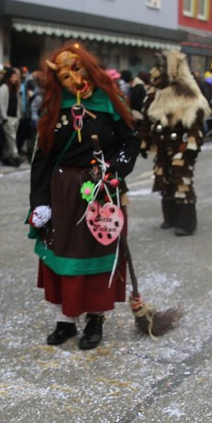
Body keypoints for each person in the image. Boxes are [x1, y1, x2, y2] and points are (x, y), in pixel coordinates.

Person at [30, 43, 139, 349]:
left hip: (102, 190)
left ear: (87, 65)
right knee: (62, 257)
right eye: (65, 76)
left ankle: (95, 318)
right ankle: (65, 320)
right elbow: (42, 158)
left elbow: (131, 142)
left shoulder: (112, 99)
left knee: (97, 257)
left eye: (77, 69)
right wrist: (39, 202)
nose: (74, 80)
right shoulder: (53, 105)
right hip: (62, 193)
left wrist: (116, 171)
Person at [137, 49, 209, 236]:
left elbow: (195, 123)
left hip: (181, 145)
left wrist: (191, 145)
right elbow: (146, 119)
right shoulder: (155, 93)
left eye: (159, 67)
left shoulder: (189, 93)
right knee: (164, 177)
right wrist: (144, 141)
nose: (154, 72)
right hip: (162, 144)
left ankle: (187, 223)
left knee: (181, 178)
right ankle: (170, 217)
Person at [0, 68, 23, 167]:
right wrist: (4, 117)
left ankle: (6, 157)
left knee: (10, 139)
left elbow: (19, 103)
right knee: (12, 138)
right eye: (13, 76)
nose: (15, 78)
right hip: (7, 117)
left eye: (16, 76)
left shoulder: (16, 88)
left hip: (15, 117)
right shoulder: (3, 88)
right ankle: (15, 156)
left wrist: (19, 115)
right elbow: (1, 104)